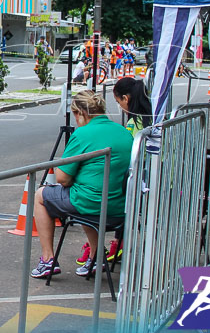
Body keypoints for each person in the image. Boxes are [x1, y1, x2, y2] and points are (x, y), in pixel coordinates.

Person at [30, 90, 134, 278]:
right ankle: (96, 256)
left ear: (80, 113)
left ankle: (47, 259)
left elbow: (62, 178)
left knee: (40, 196)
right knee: (85, 194)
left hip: (91, 203)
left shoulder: (83, 134)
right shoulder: (124, 132)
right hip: (121, 206)